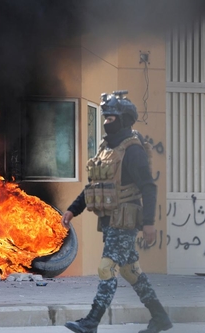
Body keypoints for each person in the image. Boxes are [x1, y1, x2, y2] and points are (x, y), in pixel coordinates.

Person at [61, 91, 172, 333]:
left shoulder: (133, 151)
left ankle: (91, 322)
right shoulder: (106, 149)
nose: (105, 122)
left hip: (126, 220)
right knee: (131, 271)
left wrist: (149, 223)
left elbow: (149, 187)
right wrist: (72, 210)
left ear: (123, 120)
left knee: (106, 267)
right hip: (111, 220)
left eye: (111, 118)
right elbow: (94, 186)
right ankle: (161, 317)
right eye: (105, 117)